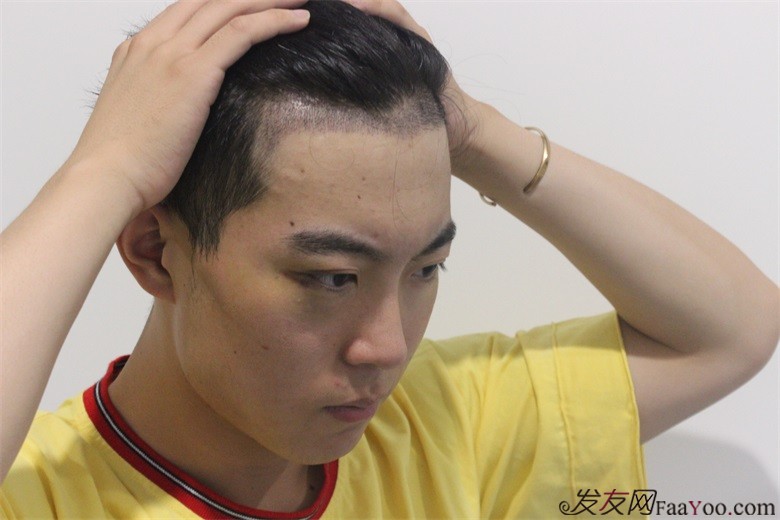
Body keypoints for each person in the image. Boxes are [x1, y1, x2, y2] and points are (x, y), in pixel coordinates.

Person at [1, 0, 777, 518]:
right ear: (153, 251)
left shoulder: (447, 426)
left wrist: (477, 132)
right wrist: (103, 173)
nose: (387, 347)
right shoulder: (37, 491)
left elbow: (732, 330)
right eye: (332, 278)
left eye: (425, 269)